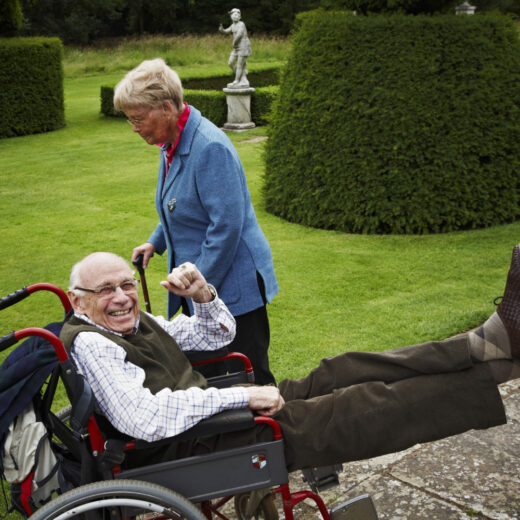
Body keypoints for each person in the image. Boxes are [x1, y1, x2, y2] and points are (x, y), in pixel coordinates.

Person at [60, 249, 520, 472]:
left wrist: (202, 294)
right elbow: (145, 420)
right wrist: (243, 395)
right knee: (353, 407)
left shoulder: (130, 324)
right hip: (198, 444)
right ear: (77, 301)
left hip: (214, 413)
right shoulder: (93, 344)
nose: (122, 297)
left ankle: (481, 347)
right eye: (105, 291)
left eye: (125, 285)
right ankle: (497, 371)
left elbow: (217, 332)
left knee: (341, 370)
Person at [114, 58, 278, 385]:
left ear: (165, 108)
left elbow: (225, 229)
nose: (134, 127)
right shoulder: (172, 141)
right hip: (203, 283)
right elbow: (180, 205)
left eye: (137, 118)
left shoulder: (209, 147)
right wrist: (156, 241)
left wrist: (195, 287)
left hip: (232, 285)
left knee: (245, 374)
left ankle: (272, 431)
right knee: (213, 374)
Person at [218, 8, 252, 88]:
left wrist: (234, 43)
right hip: (236, 47)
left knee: (240, 65)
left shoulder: (241, 24)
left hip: (243, 46)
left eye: (237, 15)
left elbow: (239, 35)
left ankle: (237, 80)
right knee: (230, 63)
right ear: (231, 16)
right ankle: (242, 74)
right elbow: (227, 31)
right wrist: (222, 30)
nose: (235, 16)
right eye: (233, 15)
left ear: (240, 17)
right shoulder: (233, 25)